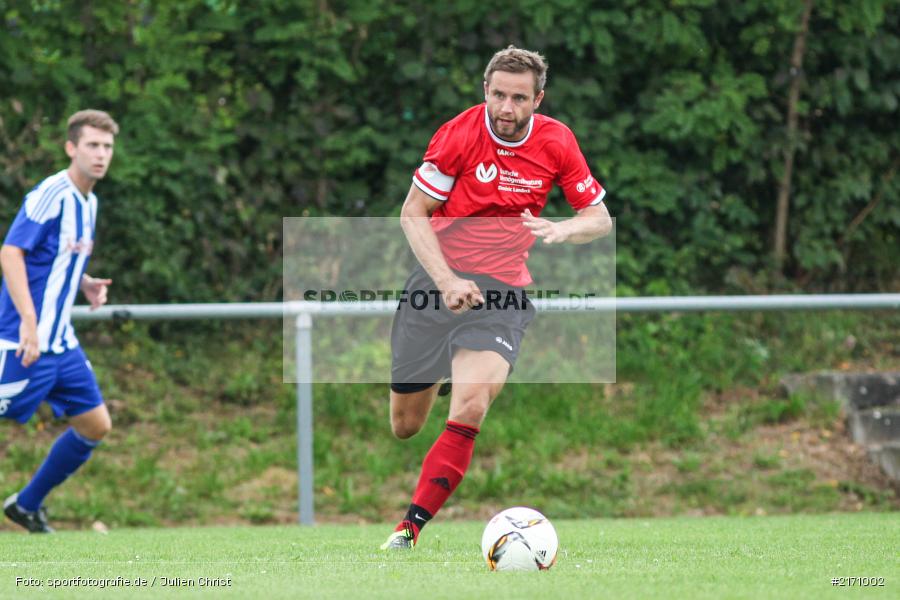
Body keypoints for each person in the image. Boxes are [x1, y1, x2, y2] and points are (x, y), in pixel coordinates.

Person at [381, 47, 612, 549]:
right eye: (499, 95)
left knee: (471, 404)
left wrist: (564, 229)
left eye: (519, 98)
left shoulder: (557, 142)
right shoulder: (459, 134)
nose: (507, 108)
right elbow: (412, 212)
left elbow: (599, 218)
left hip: (504, 290)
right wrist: (445, 282)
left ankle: (409, 528)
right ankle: (442, 359)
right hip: (437, 284)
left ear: (538, 99)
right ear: (486, 91)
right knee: (405, 425)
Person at [1, 109, 118, 533]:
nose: (100, 154)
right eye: (92, 145)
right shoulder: (53, 193)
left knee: (95, 424)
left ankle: (26, 505)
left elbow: (54, 259)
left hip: (61, 344)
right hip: (20, 339)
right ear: (71, 148)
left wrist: (83, 282)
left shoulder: (90, 202)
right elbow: (11, 252)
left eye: (107, 147)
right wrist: (29, 324)